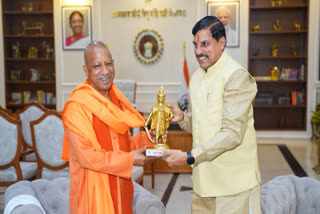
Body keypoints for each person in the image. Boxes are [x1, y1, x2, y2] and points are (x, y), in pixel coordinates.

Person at [163, 16, 261, 214]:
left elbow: (232, 133)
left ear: (221, 42)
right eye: (195, 44)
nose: (198, 51)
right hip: (202, 184)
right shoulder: (198, 77)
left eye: (205, 44)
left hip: (233, 187)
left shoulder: (236, 76)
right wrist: (183, 118)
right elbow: (202, 127)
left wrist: (190, 156)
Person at [61, 40, 155, 214]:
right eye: (96, 66)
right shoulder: (77, 106)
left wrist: (149, 138)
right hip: (92, 195)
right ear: (86, 70)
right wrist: (130, 160)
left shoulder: (116, 100)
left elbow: (123, 144)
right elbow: (86, 157)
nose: (105, 71)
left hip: (122, 189)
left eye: (108, 64)